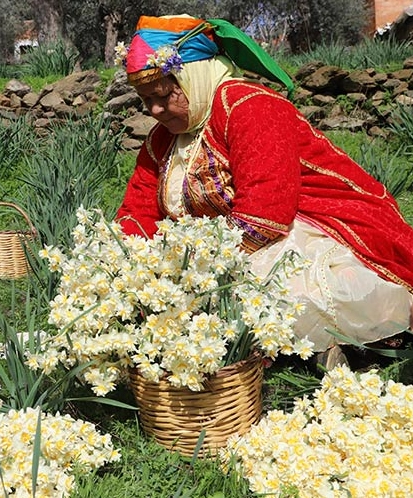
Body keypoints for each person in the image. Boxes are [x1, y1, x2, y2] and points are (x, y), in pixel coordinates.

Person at [115, 15, 413, 366]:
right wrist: (124, 262)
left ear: (192, 77)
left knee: (287, 287)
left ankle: (333, 343)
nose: (154, 110)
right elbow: (138, 210)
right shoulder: (162, 140)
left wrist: (189, 270)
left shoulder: (249, 107)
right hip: (214, 247)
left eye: (163, 95)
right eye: (145, 100)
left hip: (300, 226)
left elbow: (265, 214)